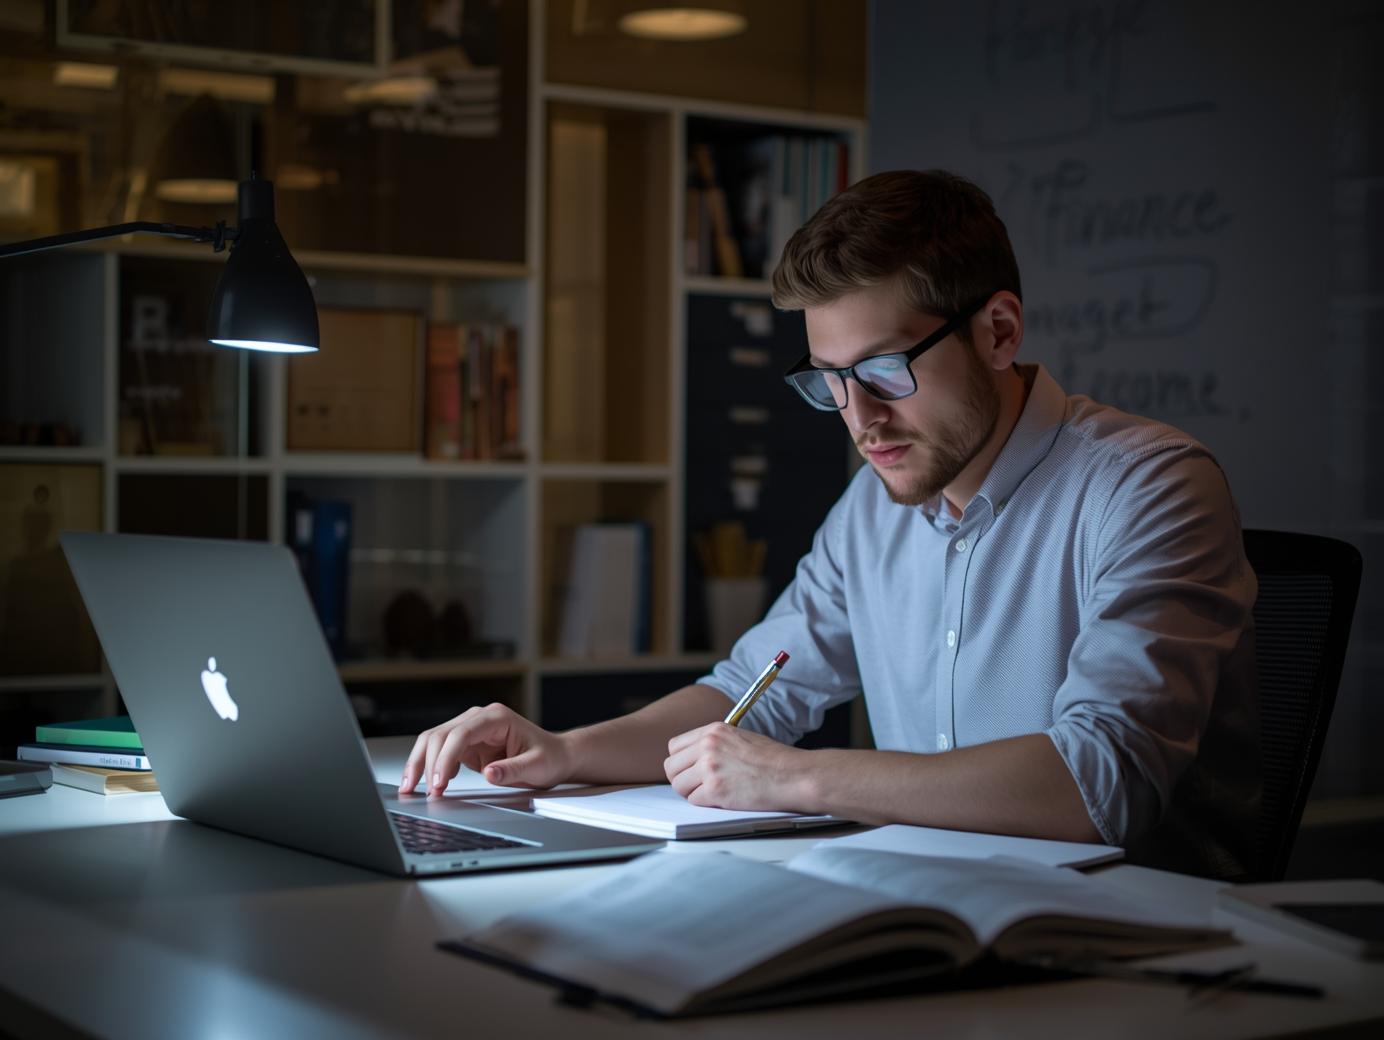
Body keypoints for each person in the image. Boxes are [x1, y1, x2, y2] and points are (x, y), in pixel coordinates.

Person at [400, 170, 1260, 879]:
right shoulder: (872, 508)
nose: (860, 418)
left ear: (998, 331)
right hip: (928, 911)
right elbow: (749, 697)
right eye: (829, 380)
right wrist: (566, 751)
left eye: (884, 369)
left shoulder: (1149, 488)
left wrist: (796, 778)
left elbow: (1095, 787)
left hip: (1135, 947)